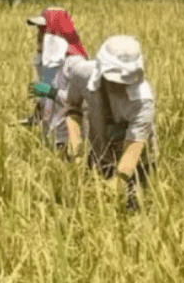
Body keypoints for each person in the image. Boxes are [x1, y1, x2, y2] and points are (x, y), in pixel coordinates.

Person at [62, 35, 157, 211]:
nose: (118, 84)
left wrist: (116, 184)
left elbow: (134, 148)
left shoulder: (143, 100)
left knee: (134, 210)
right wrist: (77, 152)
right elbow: (72, 108)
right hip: (100, 155)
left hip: (136, 165)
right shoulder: (82, 74)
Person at [24, 7, 88, 154]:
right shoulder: (45, 62)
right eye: (39, 30)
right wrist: (34, 117)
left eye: (43, 30)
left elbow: (83, 102)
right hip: (50, 138)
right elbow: (44, 99)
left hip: (68, 140)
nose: (39, 35)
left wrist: (51, 92)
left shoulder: (76, 64)